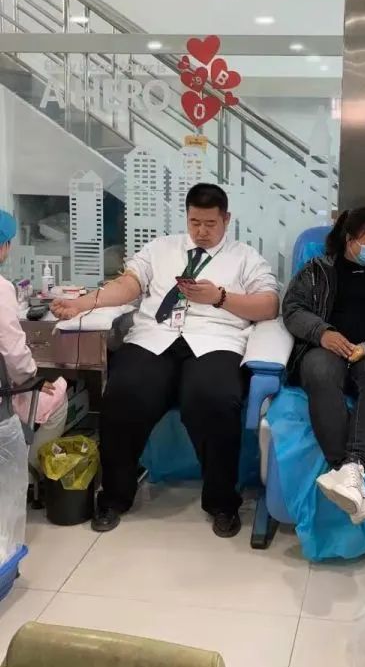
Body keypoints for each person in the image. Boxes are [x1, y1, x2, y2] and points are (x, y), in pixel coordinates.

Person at [51, 184, 280, 537]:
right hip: (155, 337)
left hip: (215, 340)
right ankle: (114, 497)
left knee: (214, 400)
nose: (201, 231)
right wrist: (84, 303)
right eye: (194, 222)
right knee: (123, 394)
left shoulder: (245, 257)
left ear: (226, 219)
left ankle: (222, 502)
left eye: (210, 224)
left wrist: (219, 298)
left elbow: (269, 305)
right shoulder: (161, 249)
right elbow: (128, 285)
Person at [282, 207, 365, 525]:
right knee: (319, 372)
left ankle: (351, 470)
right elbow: (292, 308)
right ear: (349, 239)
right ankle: (346, 471)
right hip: (327, 348)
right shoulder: (318, 270)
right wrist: (322, 333)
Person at [0, 210, 68, 471]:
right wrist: (32, 377)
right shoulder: (2, 289)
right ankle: (28, 471)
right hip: (4, 396)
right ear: (4, 247)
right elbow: (13, 352)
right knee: (57, 397)